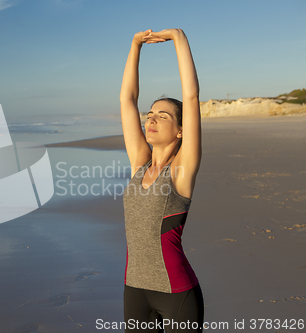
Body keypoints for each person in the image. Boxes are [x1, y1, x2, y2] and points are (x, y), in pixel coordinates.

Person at [120, 29, 204, 332]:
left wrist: (179, 38)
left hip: (177, 292)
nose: (151, 119)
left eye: (164, 116)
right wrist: (135, 46)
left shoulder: (181, 171)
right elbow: (127, 99)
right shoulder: (139, 164)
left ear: (180, 130)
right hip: (134, 289)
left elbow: (191, 97)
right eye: (151, 114)